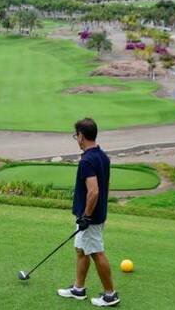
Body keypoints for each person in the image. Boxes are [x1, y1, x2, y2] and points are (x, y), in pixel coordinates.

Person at [57, 118, 120, 307]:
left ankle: (110, 294)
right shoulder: (102, 156)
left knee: (96, 253)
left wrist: (85, 216)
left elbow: (94, 191)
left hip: (90, 217)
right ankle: (78, 289)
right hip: (95, 214)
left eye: (76, 135)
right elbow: (104, 186)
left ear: (81, 136)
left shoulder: (88, 160)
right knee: (81, 250)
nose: (76, 138)